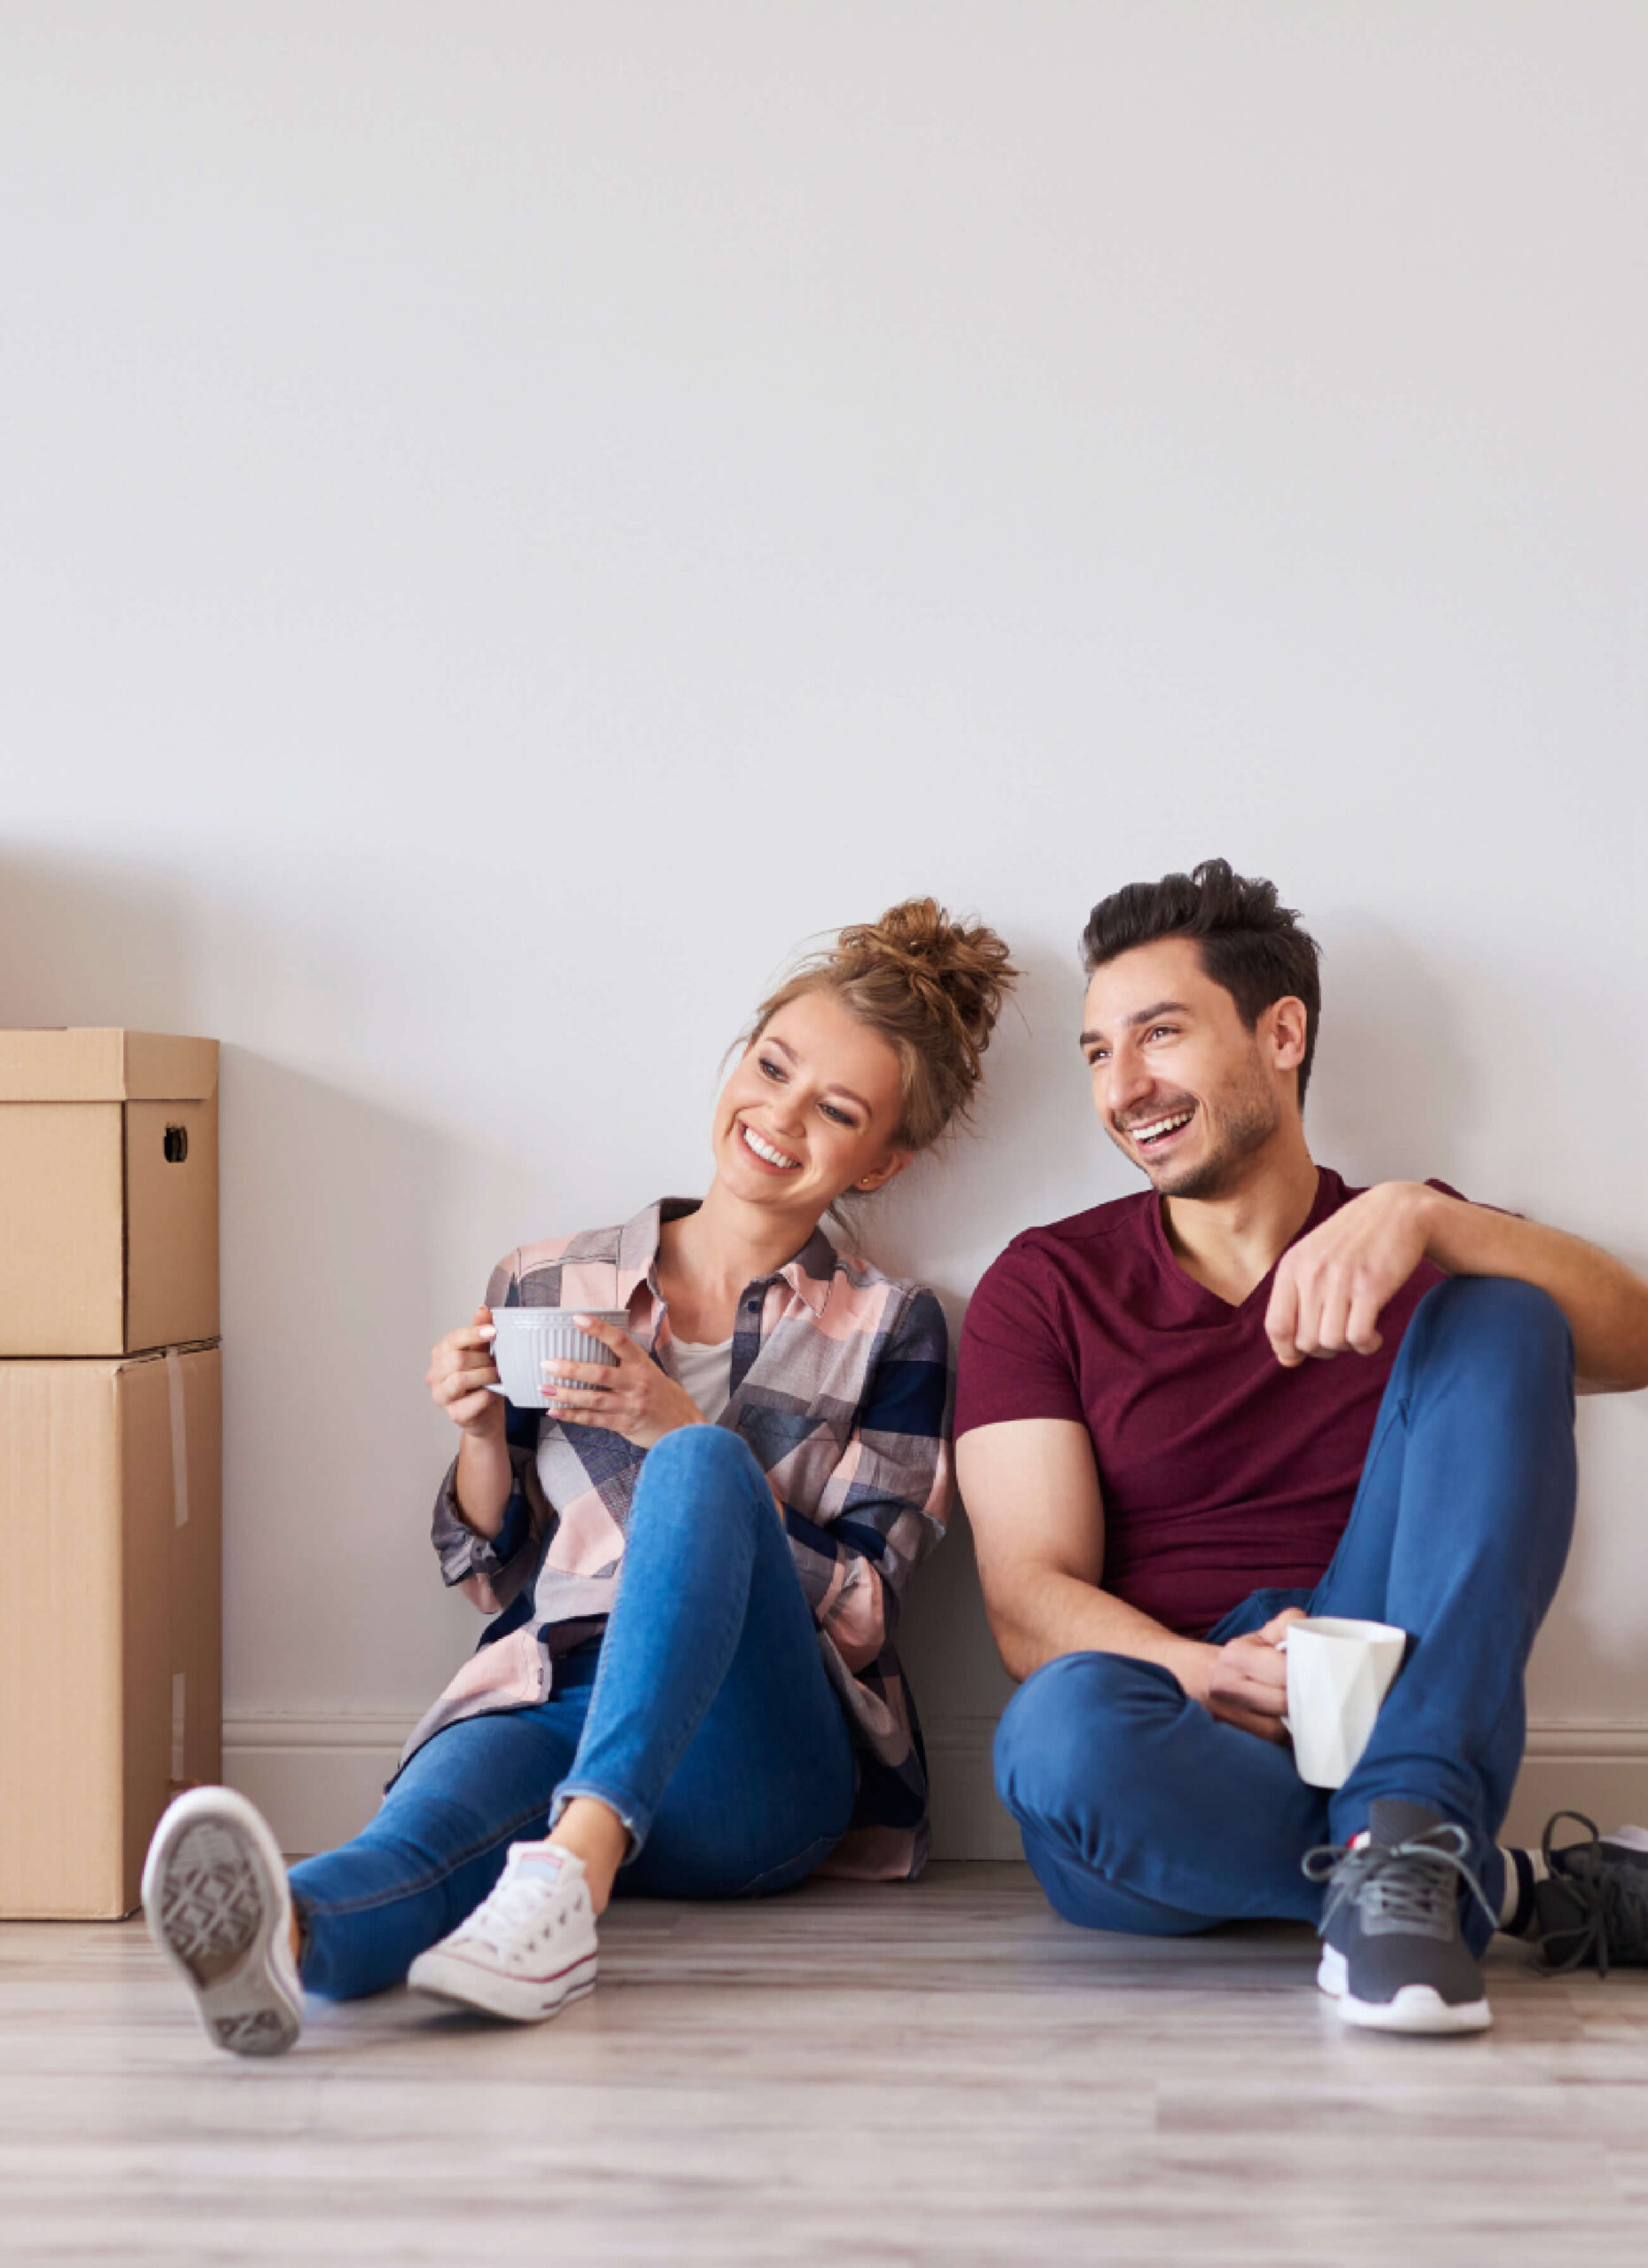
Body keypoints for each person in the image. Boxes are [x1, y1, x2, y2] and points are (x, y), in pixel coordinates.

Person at [144, 898, 1017, 2054]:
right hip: (555, 1690)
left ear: (885, 1158)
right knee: (415, 1843)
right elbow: (487, 1574)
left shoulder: (895, 1326)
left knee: (701, 1463)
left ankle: (572, 1870)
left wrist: (675, 1429)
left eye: (837, 1110)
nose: (779, 1116)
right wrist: (471, 1427)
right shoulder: (549, 1281)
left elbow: (861, 1615)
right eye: (772, 1066)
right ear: (741, 1053)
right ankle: (288, 1949)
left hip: (756, 1764)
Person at [957, 860, 1648, 2035]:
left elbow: (1631, 1344)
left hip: (1396, 1688)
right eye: (1095, 1052)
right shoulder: (1047, 1283)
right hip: (1179, 1729)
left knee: (1505, 1307)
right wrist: (1205, 1668)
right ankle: (1474, 1878)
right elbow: (1028, 1603)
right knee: (1059, 1737)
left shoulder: (1410, 1236)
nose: (1123, 1086)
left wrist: (1437, 1218)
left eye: (1159, 1034)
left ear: (1281, 1032)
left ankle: (1406, 1827)